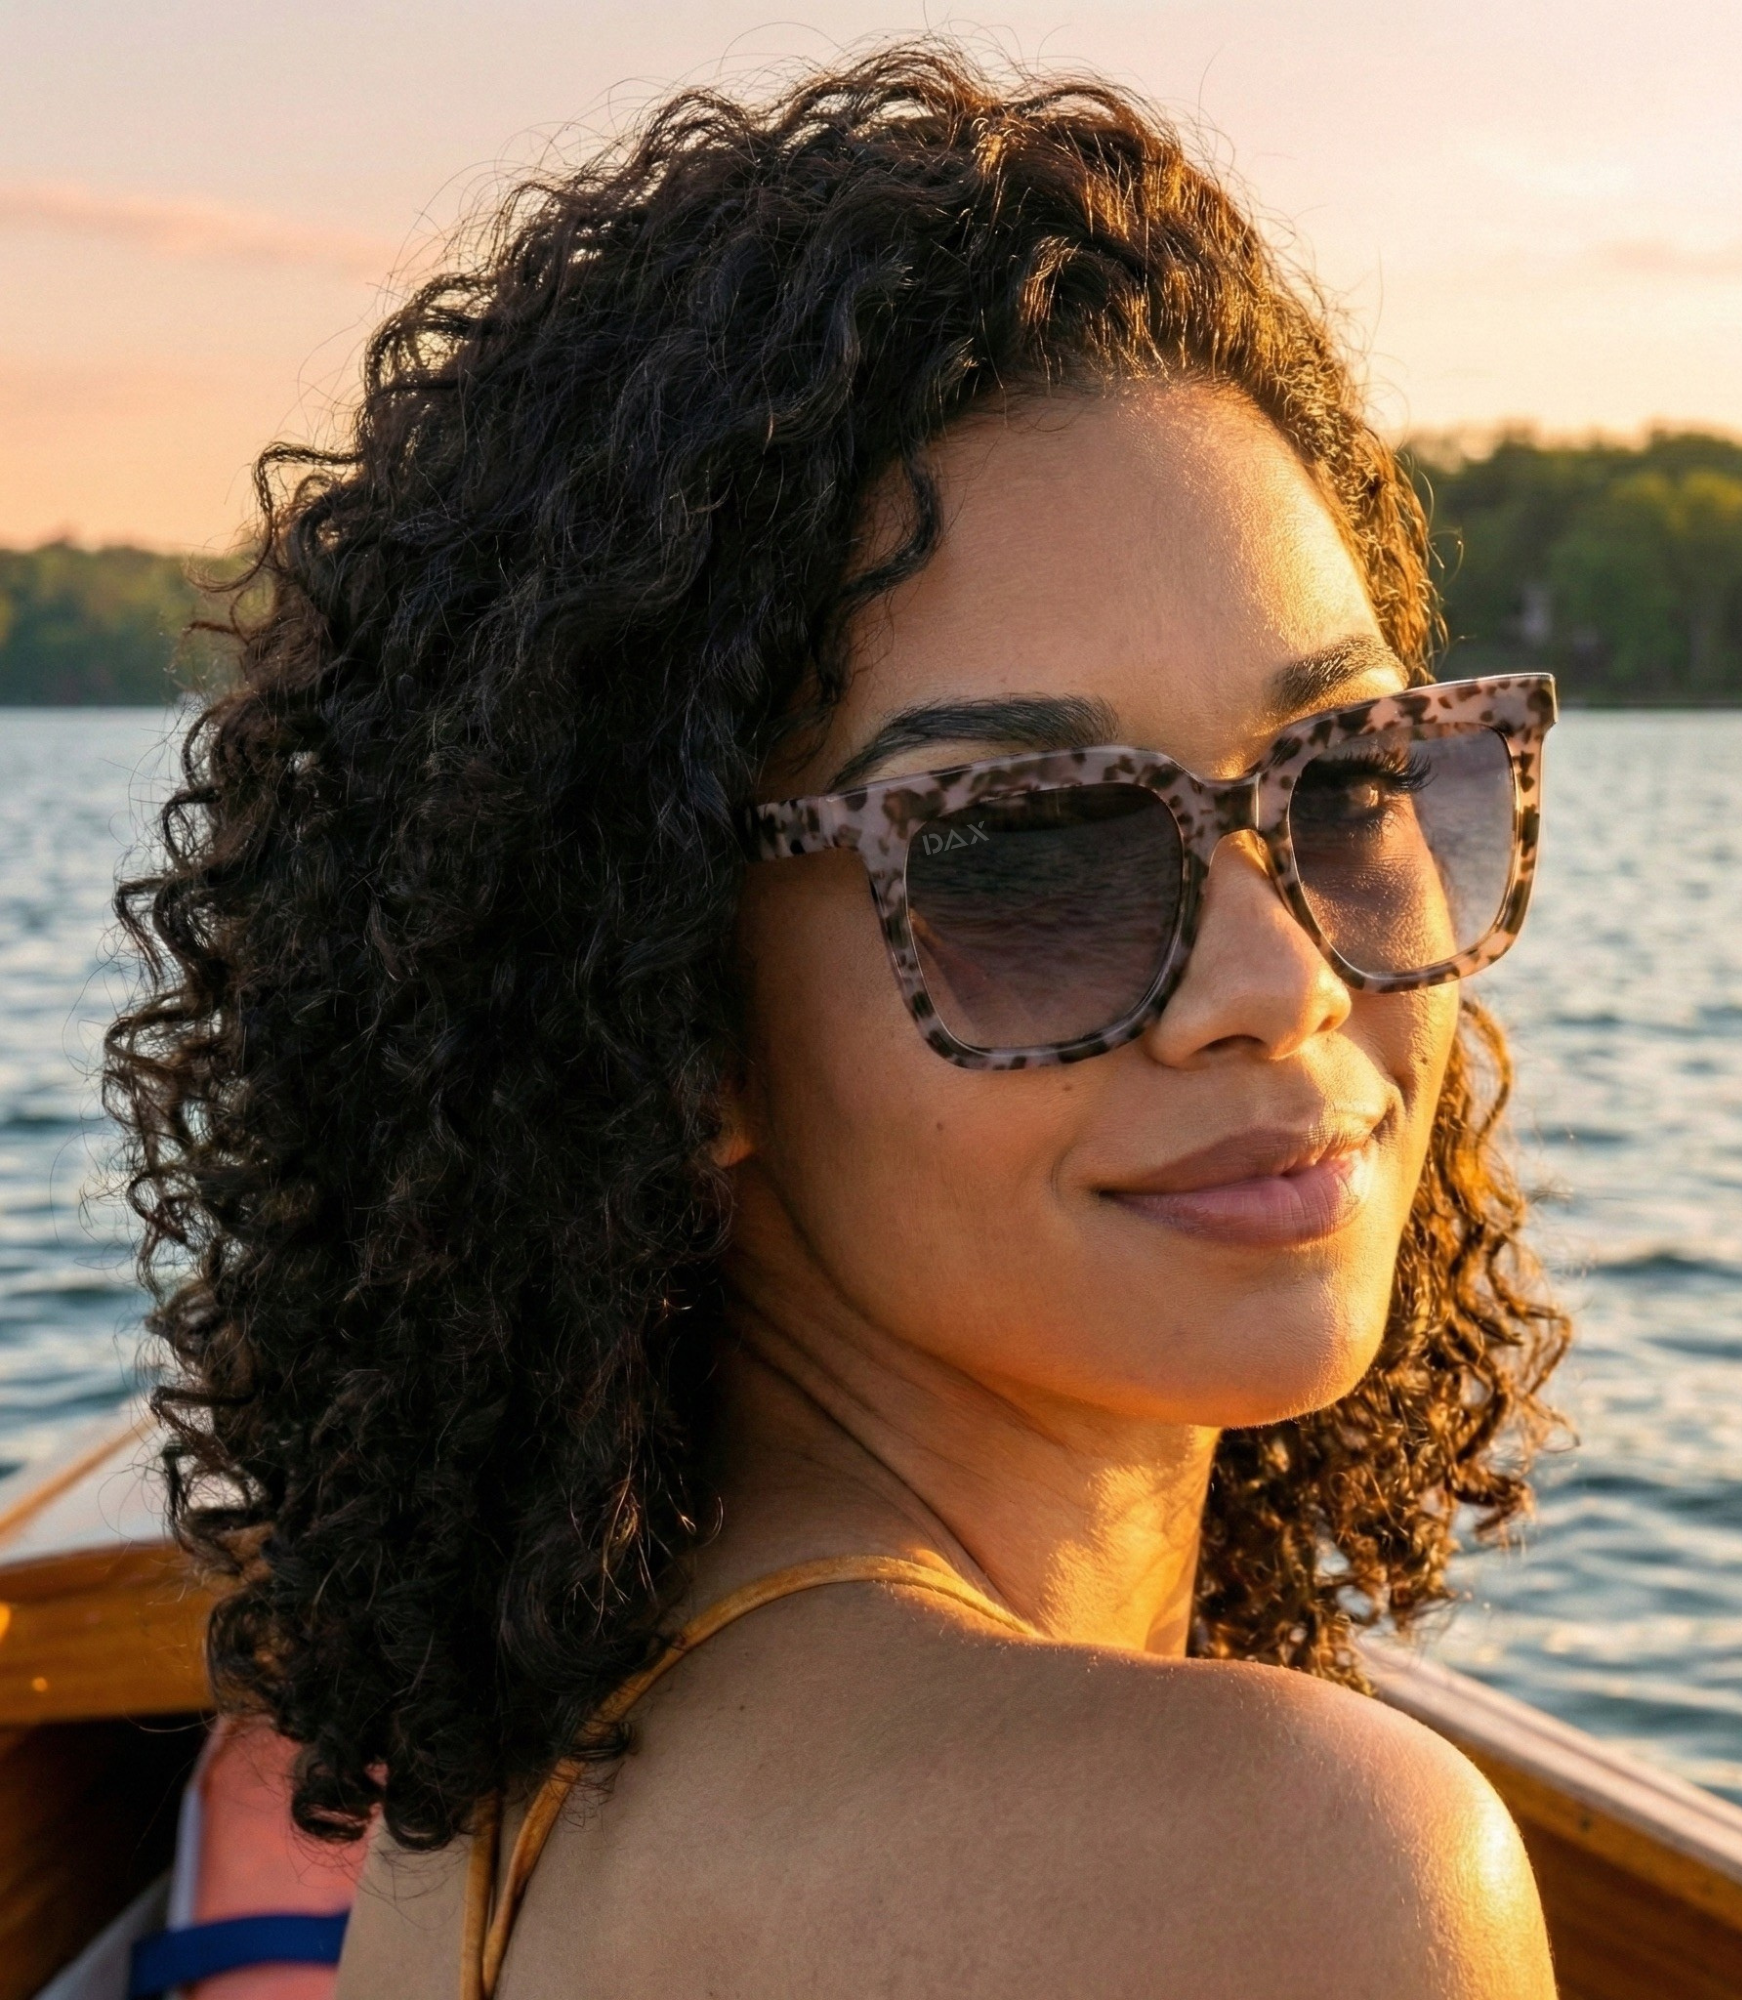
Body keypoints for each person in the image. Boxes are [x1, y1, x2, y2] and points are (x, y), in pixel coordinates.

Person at [107, 45, 1570, 1999]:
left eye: (1354, 778)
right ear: (670, 1014)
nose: (1277, 979)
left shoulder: (508, 1797)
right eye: (1028, 852)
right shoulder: (1284, 1871)